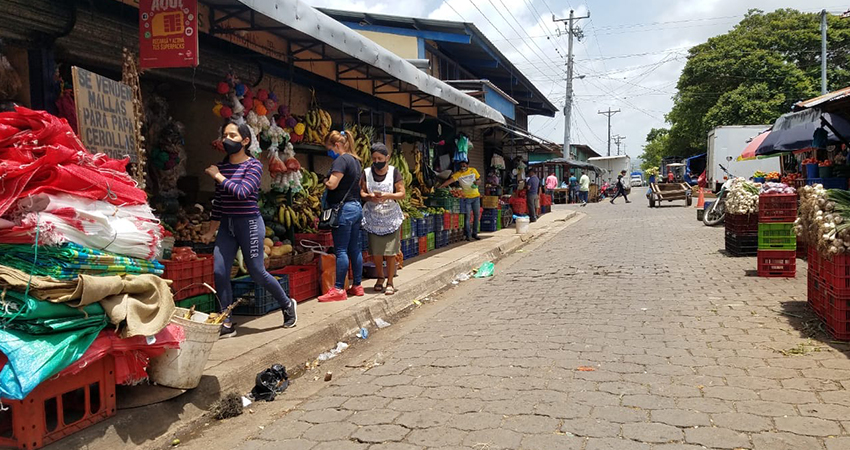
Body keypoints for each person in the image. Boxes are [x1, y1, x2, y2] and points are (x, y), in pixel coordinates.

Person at [202, 121, 297, 336]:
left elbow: (242, 192)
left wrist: (218, 176)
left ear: (245, 141)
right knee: (220, 271)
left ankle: (286, 304)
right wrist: (210, 230)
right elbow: (219, 203)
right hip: (227, 226)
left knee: (257, 272)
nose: (227, 139)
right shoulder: (221, 167)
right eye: (225, 135)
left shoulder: (253, 166)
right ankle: (226, 321)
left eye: (232, 135)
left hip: (250, 224)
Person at [318, 130, 365, 302]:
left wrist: (325, 180)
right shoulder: (356, 161)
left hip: (343, 209)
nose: (329, 152)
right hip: (356, 207)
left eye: (329, 148)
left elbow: (332, 184)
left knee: (341, 250)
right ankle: (357, 285)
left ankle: (338, 289)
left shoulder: (341, 160)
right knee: (354, 248)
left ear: (337, 145)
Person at [360, 143, 405, 295]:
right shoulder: (366, 173)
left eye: (380, 158)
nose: (377, 161)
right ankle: (380, 277)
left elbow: (402, 193)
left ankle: (390, 281)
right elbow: (362, 192)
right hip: (373, 217)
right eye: (374, 158)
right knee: (377, 251)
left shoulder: (394, 172)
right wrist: (369, 196)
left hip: (390, 217)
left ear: (387, 157)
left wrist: (388, 196)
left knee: (391, 252)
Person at [440, 160, 481, 240]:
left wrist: (477, 183)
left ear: (467, 165)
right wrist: (441, 186)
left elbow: (479, 180)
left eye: (464, 165)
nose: (463, 167)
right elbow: (449, 181)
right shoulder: (458, 174)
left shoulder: (473, 170)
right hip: (466, 198)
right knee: (467, 217)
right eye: (461, 166)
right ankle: (468, 235)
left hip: (476, 197)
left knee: (476, 216)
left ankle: (475, 233)